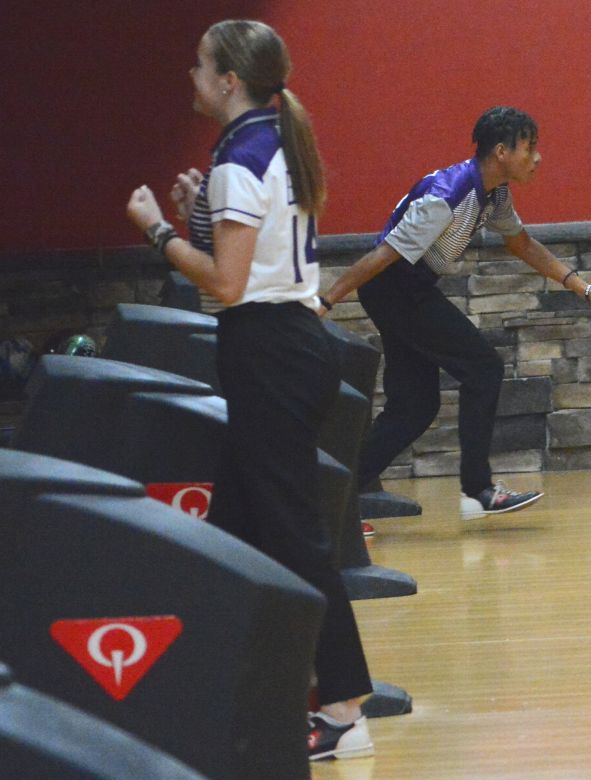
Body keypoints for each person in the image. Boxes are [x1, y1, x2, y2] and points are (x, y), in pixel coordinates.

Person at [125, 19, 373, 761]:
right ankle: (239, 681)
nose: (190, 76)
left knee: (293, 535)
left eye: (199, 65)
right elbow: (246, 254)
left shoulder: (245, 152)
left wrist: (153, 231)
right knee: (234, 529)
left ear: (229, 80)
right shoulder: (267, 139)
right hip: (284, 348)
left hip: (271, 352)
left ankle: (343, 708)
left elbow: (226, 282)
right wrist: (200, 209)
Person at [318, 107, 591, 516]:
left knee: (414, 405)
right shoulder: (448, 196)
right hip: (394, 287)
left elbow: (523, 244)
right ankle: (478, 490)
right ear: (501, 151)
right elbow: (382, 255)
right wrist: (325, 300)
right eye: (529, 148)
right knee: (483, 368)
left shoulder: (494, 192)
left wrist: (584, 287)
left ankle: (339, 490)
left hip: (404, 288)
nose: (538, 158)